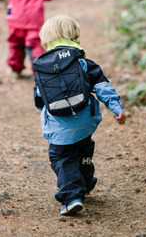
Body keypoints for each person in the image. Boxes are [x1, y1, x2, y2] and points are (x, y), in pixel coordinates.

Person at [33, 15, 126, 215]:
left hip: (59, 127)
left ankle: (71, 196)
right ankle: (85, 180)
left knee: (62, 157)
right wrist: (117, 108)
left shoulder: (41, 68)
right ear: (74, 36)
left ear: (46, 39)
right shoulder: (82, 62)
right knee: (83, 148)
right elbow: (102, 86)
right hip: (85, 122)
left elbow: (40, 101)